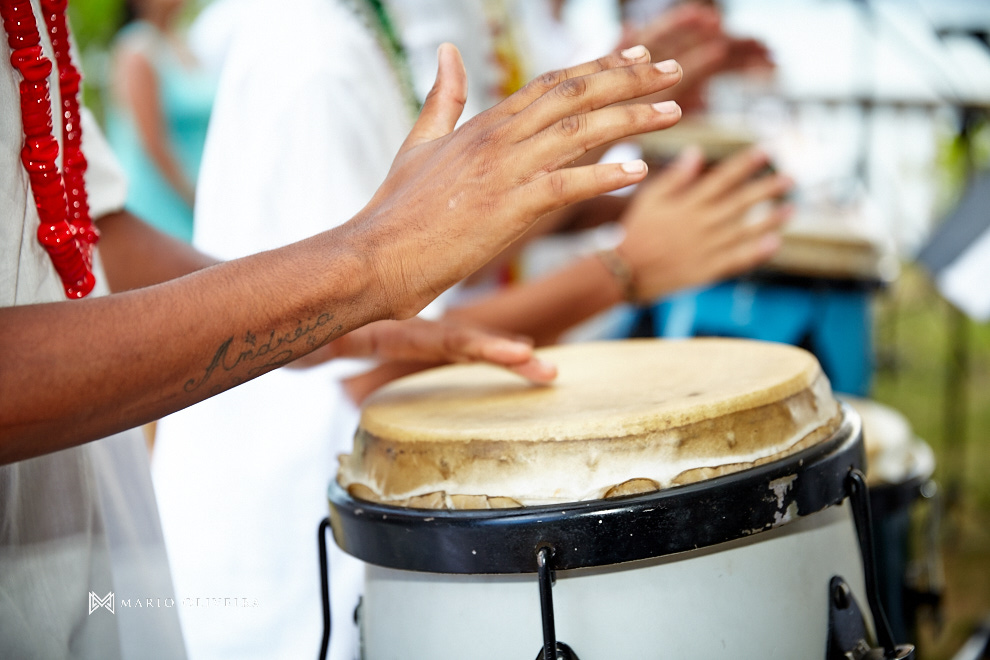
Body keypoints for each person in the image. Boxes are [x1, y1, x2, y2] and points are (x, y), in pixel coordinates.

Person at [0, 0, 684, 654]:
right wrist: (364, 270)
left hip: (99, 529)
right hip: (265, 549)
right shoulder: (308, 55)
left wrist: (341, 314)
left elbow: (83, 231)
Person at [151, 1, 792, 659]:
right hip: (293, 549)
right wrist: (623, 270)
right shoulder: (311, 55)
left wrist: (617, 161)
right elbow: (365, 354)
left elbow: (446, 240)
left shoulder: (388, 27)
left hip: (365, 508)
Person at [106, 0, 216, 242]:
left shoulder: (183, 43)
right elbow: (154, 144)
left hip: (197, 194)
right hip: (161, 201)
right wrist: (197, 198)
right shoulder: (136, 49)